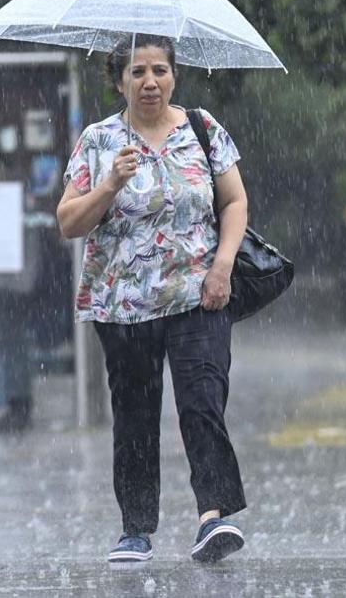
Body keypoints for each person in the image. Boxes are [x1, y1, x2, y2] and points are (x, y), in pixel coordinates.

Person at [57, 33, 249, 563]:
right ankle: (136, 530)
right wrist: (108, 186)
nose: (150, 82)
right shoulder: (99, 142)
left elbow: (233, 200)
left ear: (174, 76)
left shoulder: (203, 130)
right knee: (136, 415)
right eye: (138, 72)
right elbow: (68, 222)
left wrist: (223, 265)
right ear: (119, 80)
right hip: (124, 305)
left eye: (160, 70)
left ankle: (214, 516)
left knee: (202, 402)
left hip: (199, 294)